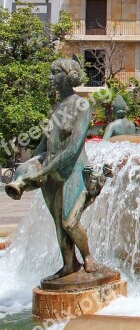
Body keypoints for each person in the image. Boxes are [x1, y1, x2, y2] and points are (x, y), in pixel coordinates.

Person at [6, 58, 99, 278]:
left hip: (74, 171)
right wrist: (30, 168)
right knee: (58, 224)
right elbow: (45, 144)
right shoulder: (56, 108)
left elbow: (74, 148)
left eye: (55, 73)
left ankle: (87, 256)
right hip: (51, 173)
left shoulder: (81, 106)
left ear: (69, 76)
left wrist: (44, 170)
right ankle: (69, 265)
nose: (51, 78)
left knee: (69, 222)